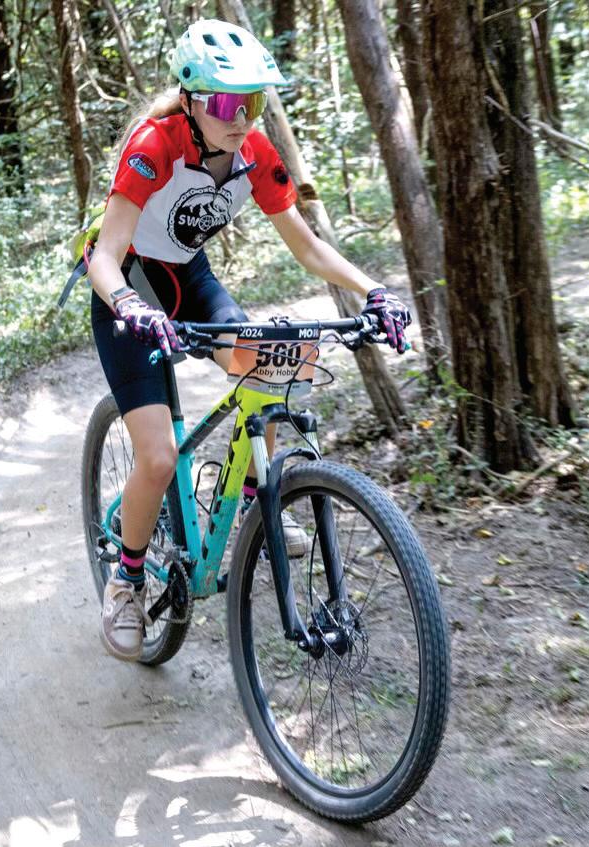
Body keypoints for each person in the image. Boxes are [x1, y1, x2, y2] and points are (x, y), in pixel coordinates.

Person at [86, 18, 411, 661]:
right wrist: (127, 303)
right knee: (158, 457)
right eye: (227, 104)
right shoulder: (154, 145)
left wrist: (375, 289)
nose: (241, 119)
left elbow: (307, 248)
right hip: (128, 286)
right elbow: (105, 254)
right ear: (192, 100)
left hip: (188, 279)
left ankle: (258, 500)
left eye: (253, 103)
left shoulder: (255, 153)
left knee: (269, 362)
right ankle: (126, 579)